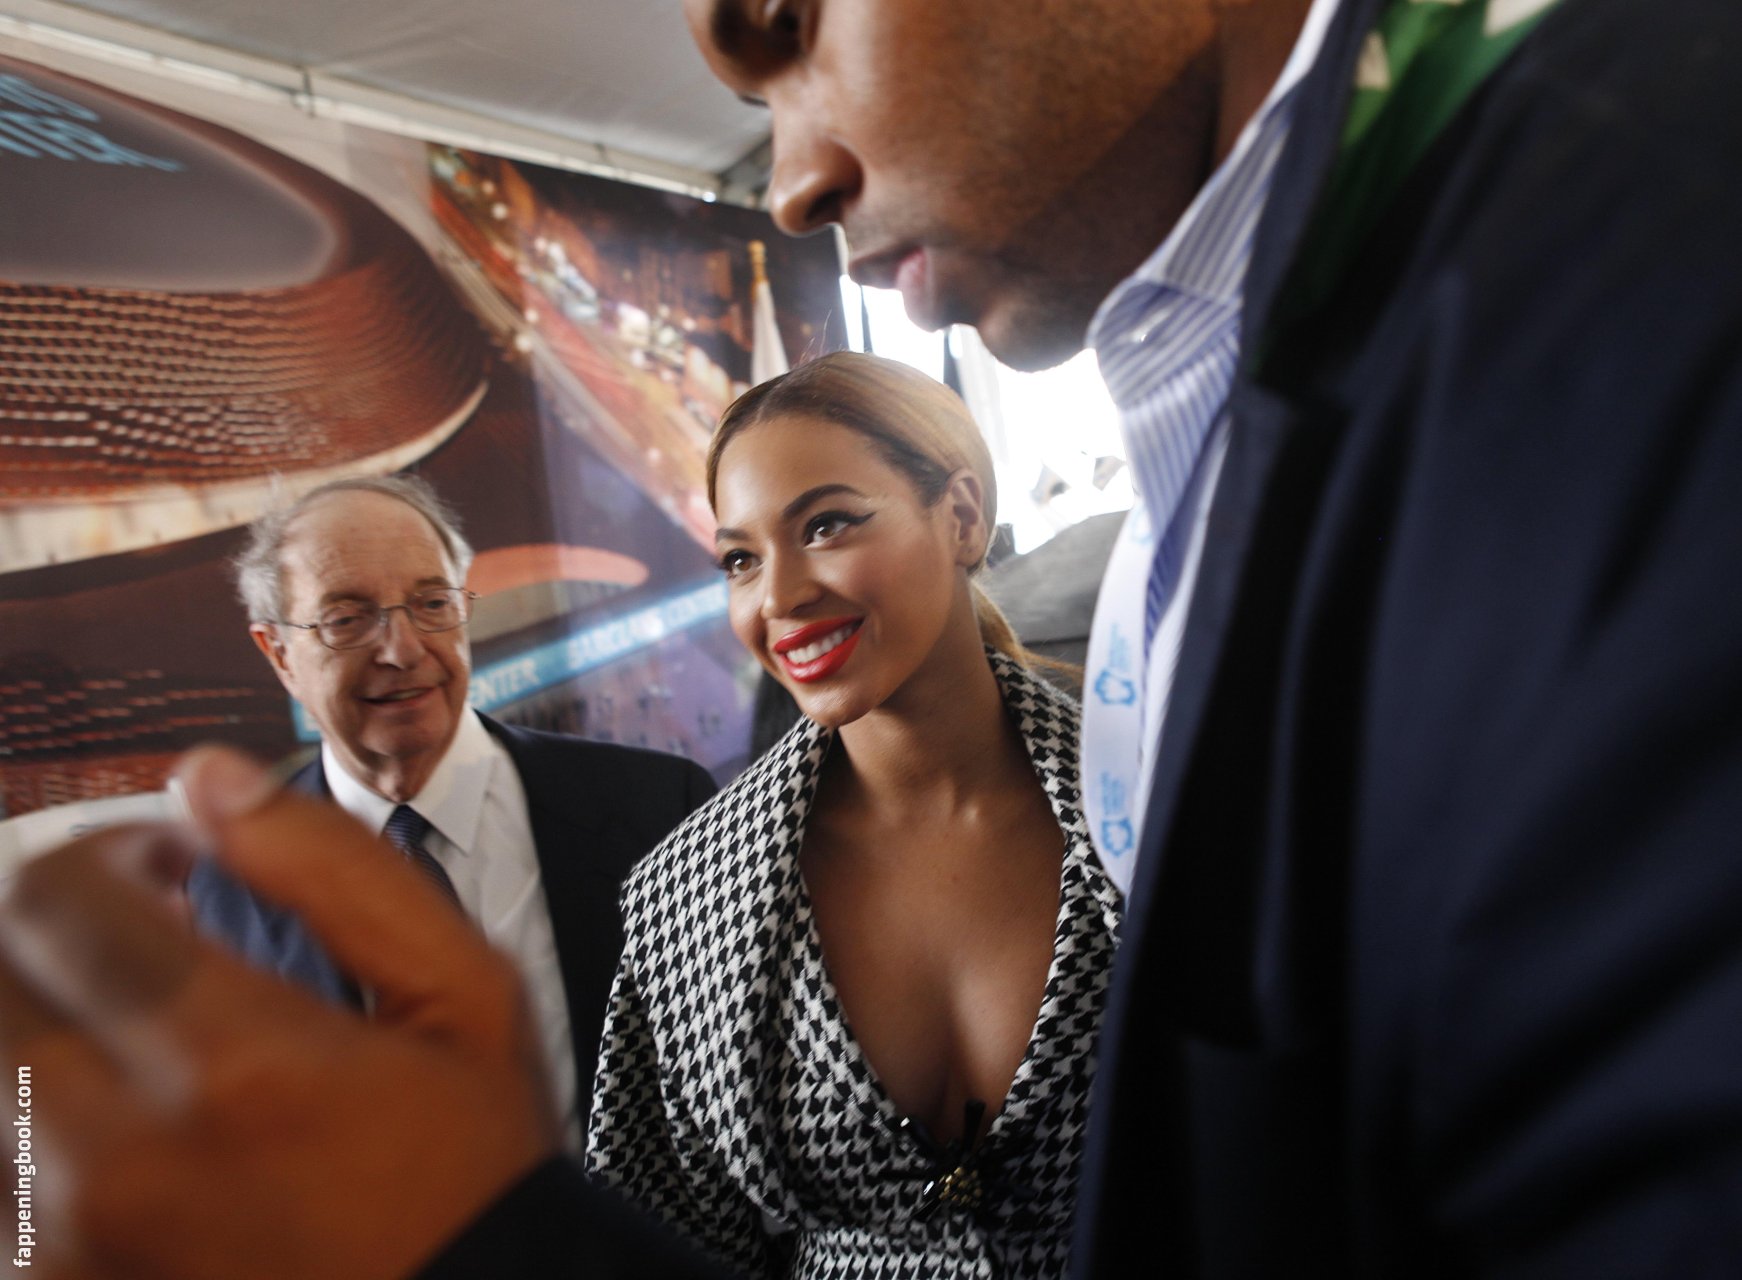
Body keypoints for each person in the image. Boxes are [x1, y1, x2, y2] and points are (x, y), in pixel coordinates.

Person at [5, 0, 1742, 1275]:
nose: (794, 180)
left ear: (964, 516)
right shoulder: (693, 879)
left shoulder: (1607, 252)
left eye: (789, 23)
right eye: (735, 556)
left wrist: (481, 1238)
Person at [585, 352, 1120, 1277]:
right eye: (741, 559)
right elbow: (656, 1244)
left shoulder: (1151, 802)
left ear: (962, 517)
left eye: (827, 525)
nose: (780, 596)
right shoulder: (683, 896)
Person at [189, 475, 715, 1146]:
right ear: (280, 654)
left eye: (432, 603)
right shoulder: (231, 885)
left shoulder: (659, 809)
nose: (404, 650)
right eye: (347, 619)